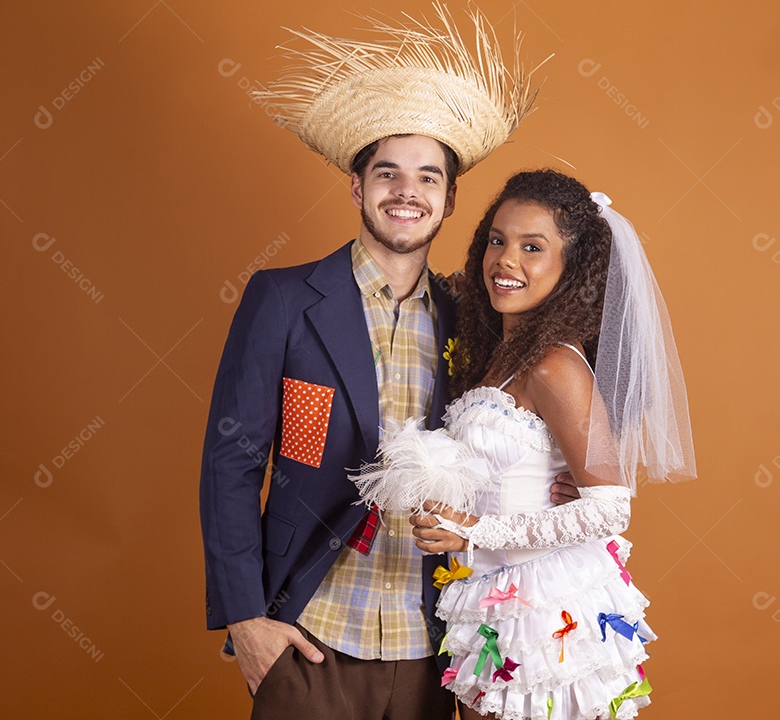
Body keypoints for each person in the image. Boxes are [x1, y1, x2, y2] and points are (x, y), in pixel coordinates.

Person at [198, 7, 549, 718]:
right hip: (309, 638)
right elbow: (230, 464)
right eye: (387, 173)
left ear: (450, 200)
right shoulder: (284, 300)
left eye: (427, 177)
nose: (406, 192)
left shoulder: (470, 319)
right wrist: (246, 621)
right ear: (357, 187)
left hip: (432, 645)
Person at [354, 170, 696, 719]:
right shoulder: (497, 352)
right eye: (497, 240)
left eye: (532, 247)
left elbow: (610, 509)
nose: (506, 260)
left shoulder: (555, 364)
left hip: (544, 607)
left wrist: (472, 531)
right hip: (489, 597)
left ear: (571, 267)